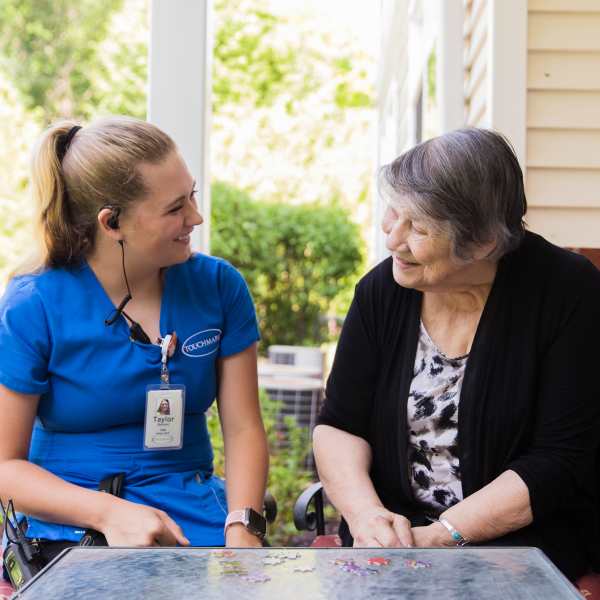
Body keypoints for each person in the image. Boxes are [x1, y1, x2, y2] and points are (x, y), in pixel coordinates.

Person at [313, 128, 600, 581]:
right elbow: (339, 424)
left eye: (420, 227)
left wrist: (438, 537)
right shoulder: (382, 291)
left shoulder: (567, 292)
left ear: (483, 242)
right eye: (395, 213)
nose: (393, 239)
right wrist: (366, 516)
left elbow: (558, 460)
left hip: (520, 551)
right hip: (390, 544)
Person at [0, 117, 269, 558]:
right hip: (69, 528)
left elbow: (242, 428)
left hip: (195, 515)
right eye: (174, 208)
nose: (196, 218)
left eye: (193, 195)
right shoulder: (33, 304)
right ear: (112, 223)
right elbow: (5, 466)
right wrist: (108, 513)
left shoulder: (220, 287)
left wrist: (243, 530)